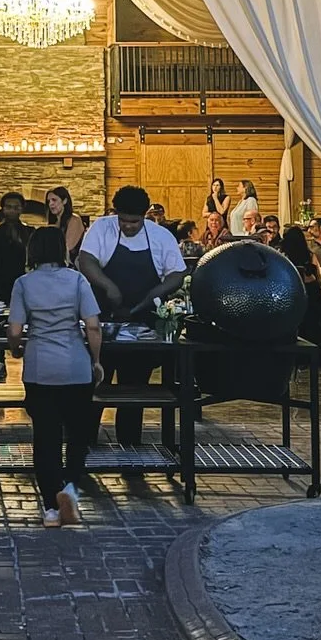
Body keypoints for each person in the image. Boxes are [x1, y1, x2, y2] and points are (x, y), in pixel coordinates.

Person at [8, 227, 104, 527]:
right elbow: (93, 326)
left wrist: (16, 350)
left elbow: (13, 330)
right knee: (77, 437)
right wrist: (96, 361)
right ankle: (71, 492)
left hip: (40, 368)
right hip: (75, 367)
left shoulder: (23, 283)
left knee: (45, 440)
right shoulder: (77, 280)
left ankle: (50, 508)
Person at [78, 186, 187, 447]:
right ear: (116, 214)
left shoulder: (160, 237)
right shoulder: (101, 228)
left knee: (134, 391)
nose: (128, 227)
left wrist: (154, 294)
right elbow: (86, 260)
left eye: (134, 222)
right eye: (123, 220)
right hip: (101, 324)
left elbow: (177, 274)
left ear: (144, 216)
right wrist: (108, 286)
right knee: (93, 388)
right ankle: (84, 450)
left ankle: (130, 451)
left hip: (142, 328)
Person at [0, 191, 36, 305]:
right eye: (9, 207)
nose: (12, 211)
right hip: (1, 280)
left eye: (16, 207)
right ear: (3, 209)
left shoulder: (30, 231)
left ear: (21, 209)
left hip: (24, 278)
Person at [44, 186, 86, 264]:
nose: (51, 204)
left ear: (64, 201)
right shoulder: (54, 223)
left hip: (72, 266)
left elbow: (68, 247)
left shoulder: (74, 220)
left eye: (54, 200)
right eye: (48, 201)